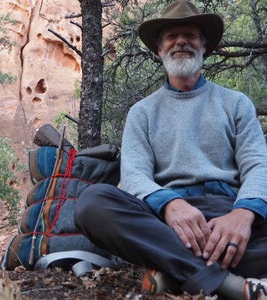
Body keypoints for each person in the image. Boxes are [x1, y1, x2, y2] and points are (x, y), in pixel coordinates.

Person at [75, 1, 267, 299]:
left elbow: (257, 164)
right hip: (166, 222)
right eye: (171, 37)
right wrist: (170, 204)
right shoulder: (143, 111)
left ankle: (173, 268)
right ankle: (229, 283)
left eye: (190, 35)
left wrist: (243, 214)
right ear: (160, 50)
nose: (181, 42)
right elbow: (135, 175)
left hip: (228, 213)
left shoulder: (235, 103)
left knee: (244, 223)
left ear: (204, 47)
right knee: (92, 202)